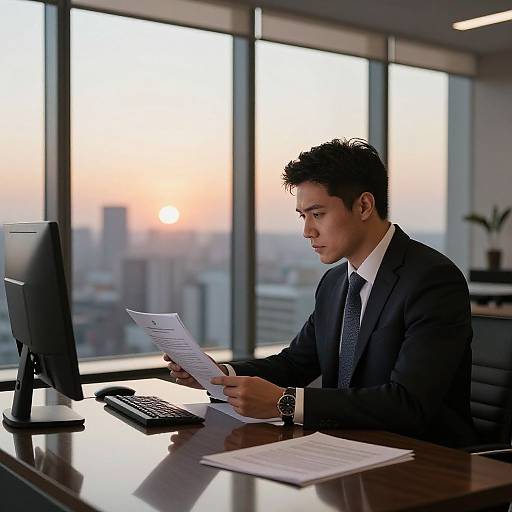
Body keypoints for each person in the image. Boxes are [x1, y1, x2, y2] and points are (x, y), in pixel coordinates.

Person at [165, 138, 478, 448]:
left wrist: (285, 402)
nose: (307, 231)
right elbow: (294, 364)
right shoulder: (334, 283)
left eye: (318, 214)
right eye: (303, 216)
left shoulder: (432, 280)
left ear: (364, 205)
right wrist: (218, 374)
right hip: (343, 453)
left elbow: (407, 404)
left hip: (423, 463)